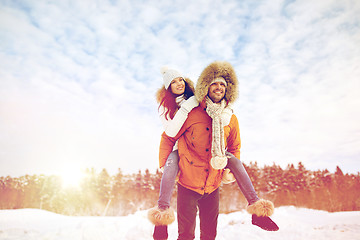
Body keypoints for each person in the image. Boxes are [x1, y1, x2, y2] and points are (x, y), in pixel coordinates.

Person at [158, 61, 279, 240]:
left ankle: (257, 211)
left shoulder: (231, 118)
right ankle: (160, 220)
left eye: (223, 84)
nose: (219, 87)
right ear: (206, 86)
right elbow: (168, 137)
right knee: (186, 235)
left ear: (228, 89)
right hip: (188, 183)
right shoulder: (190, 112)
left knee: (209, 235)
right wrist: (165, 165)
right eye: (214, 83)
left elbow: (234, 147)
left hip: (212, 183)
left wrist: (228, 171)